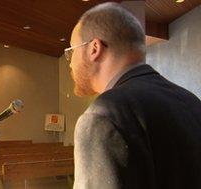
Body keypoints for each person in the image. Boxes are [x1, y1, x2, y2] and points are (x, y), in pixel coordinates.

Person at [66, 2, 201, 189]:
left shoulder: (102, 117)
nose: (71, 64)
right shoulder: (191, 101)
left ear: (94, 48)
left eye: (71, 51)